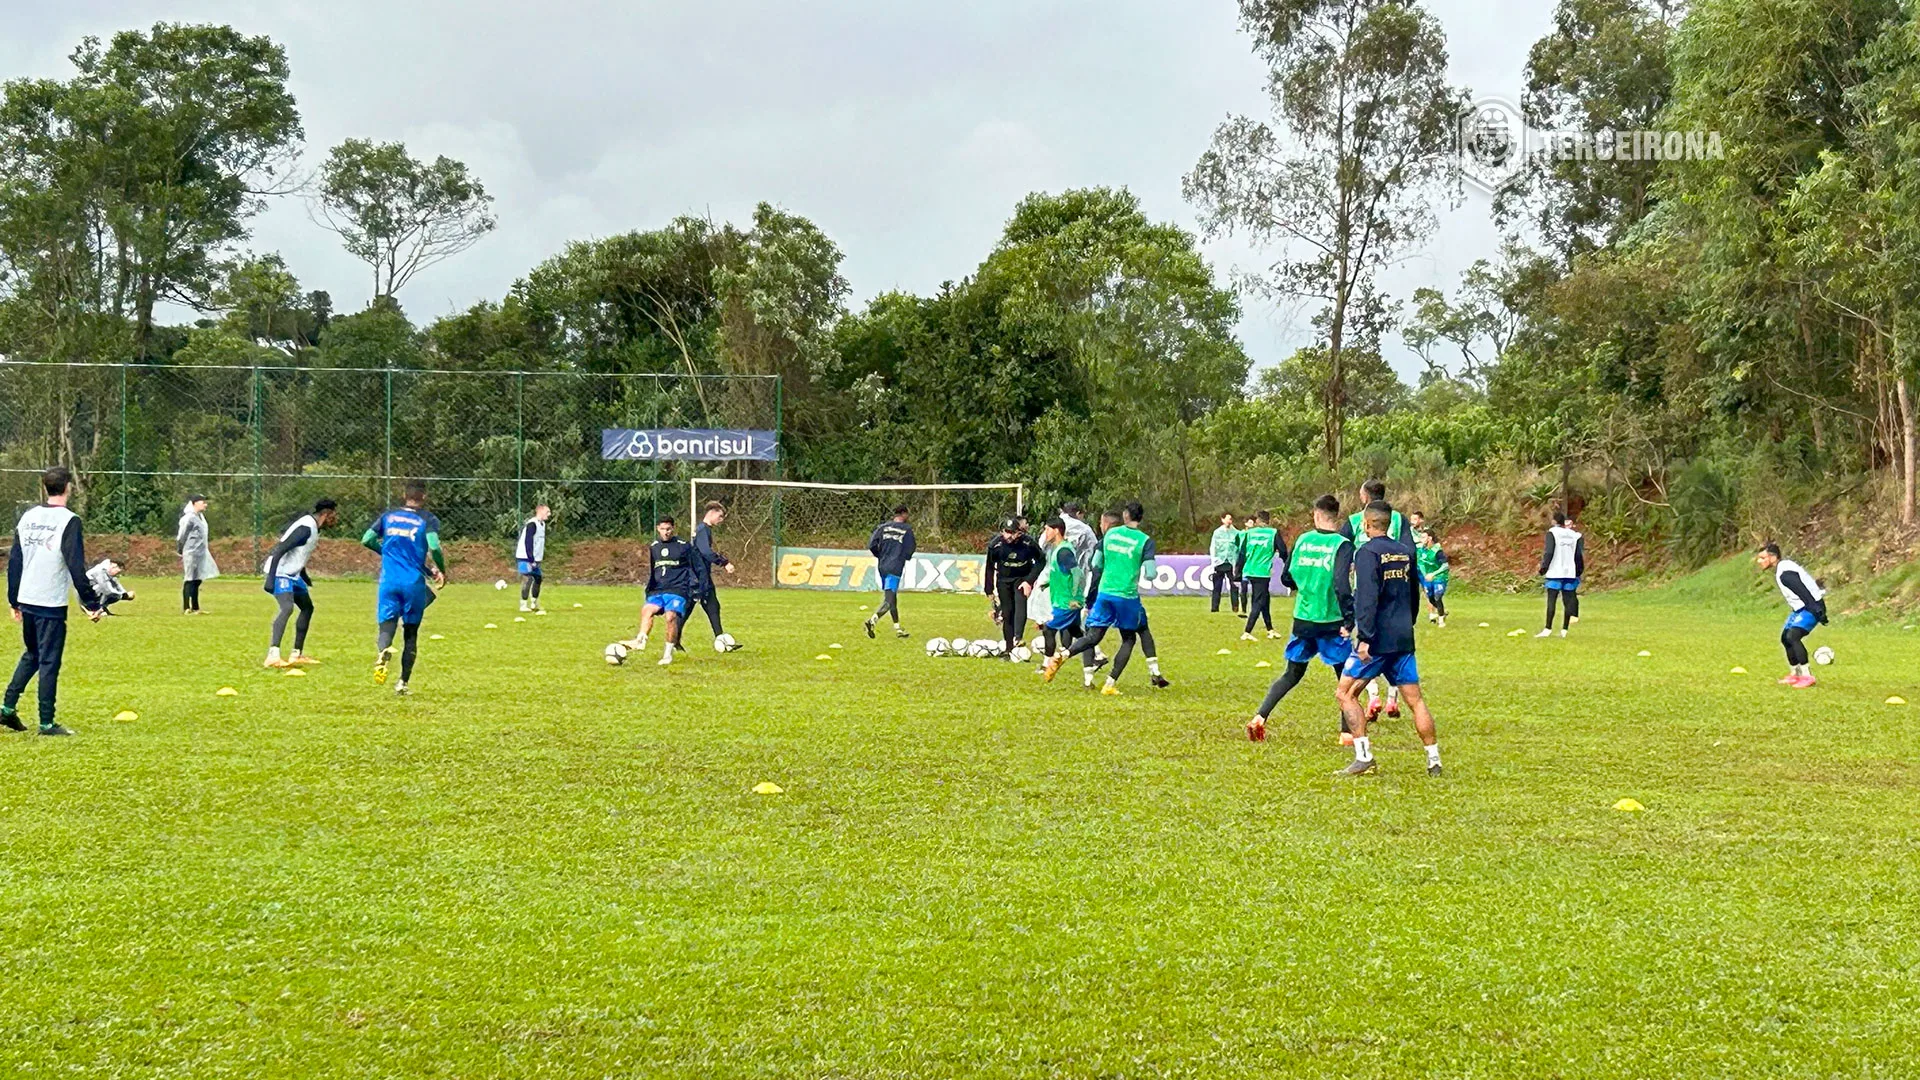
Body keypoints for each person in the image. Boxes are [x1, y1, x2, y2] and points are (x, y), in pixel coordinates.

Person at [1335, 501, 1442, 777]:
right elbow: (1414, 591)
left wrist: (1365, 638)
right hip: (1403, 635)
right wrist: (1410, 622)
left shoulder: (1367, 552)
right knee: (1415, 700)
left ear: (1367, 524)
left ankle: (1364, 757)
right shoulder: (1406, 551)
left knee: (1345, 693)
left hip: (1377, 641)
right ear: (1390, 524)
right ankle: (1434, 761)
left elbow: (1367, 598)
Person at [4, 466, 104, 736]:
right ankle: (47, 723)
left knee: (32, 655)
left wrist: (14, 599)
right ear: (68, 488)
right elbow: (75, 564)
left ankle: (6, 709)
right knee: (48, 661)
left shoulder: (28, 517)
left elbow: (15, 561)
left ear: (45, 487)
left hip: (27, 597)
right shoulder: (69, 520)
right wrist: (92, 603)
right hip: (49, 602)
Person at [1247, 495, 1355, 742]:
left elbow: (1286, 578)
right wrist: (1349, 619)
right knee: (1345, 679)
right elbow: (1341, 583)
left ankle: (1260, 717)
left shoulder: (1303, 540)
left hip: (1303, 618)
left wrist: (1306, 584)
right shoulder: (1343, 544)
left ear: (1316, 514)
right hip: (1331, 620)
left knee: (1292, 673)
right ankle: (1346, 734)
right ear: (1335, 516)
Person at [1043, 502, 1169, 693]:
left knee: (1093, 636)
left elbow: (1096, 564)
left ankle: (1064, 654)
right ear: (1140, 518)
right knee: (1129, 639)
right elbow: (1151, 573)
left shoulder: (1110, 534)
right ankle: (1110, 684)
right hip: (1126, 596)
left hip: (1105, 593)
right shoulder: (1145, 540)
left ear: (1125, 515)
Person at [1339, 480, 1414, 719]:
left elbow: (1342, 551)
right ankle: (1392, 700)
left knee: (1367, 646)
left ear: (1364, 497)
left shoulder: (1354, 521)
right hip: (1398, 586)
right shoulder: (1399, 518)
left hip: (1367, 587)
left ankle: (1373, 698)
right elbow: (1411, 551)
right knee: (1395, 651)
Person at [363, 481, 446, 696]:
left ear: (404, 495)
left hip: (388, 581)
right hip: (412, 583)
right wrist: (441, 569)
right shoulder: (427, 519)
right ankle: (402, 683)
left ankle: (382, 652)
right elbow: (434, 545)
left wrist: (385, 551)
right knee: (410, 633)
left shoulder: (389, 516)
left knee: (386, 625)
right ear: (424, 497)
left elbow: (367, 539)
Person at [262, 498, 339, 669]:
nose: (336, 518)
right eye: (334, 514)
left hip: (293, 574)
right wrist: (271, 577)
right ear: (326, 514)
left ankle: (296, 654)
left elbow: (298, 553)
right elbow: (280, 549)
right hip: (280, 572)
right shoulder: (305, 528)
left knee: (307, 607)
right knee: (287, 608)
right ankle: (272, 656)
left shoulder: (313, 527)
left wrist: (303, 575)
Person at [628, 515, 699, 667]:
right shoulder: (654, 547)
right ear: (657, 529)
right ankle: (640, 641)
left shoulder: (683, 546)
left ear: (673, 528)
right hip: (659, 589)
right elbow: (654, 569)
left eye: (668, 529)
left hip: (678, 589)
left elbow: (695, 566)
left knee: (670, 617)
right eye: (662, 529)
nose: (665, 532)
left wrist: (696, 586)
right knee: (647, 610)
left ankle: (667, 655)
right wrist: (650, 588)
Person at [1756, 543, 1826, 688]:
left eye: (1763, 558)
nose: (1759, 561)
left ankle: (1807, 676)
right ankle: (1796, 674)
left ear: (1773, 557)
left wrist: (1817, 611)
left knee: (1793, 636)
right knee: (1785, 638)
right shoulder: (1782, 568)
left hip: (1811, 606)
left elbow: (1803, 591)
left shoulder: (1785, 573)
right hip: (1802, 608)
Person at [682, 500, 737, 649]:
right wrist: (724, 562)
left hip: (701, 575)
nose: (721, 521)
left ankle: (721, 638)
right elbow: (706, 552)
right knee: (688, 608)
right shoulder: (703, 530)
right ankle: (674, 640)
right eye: (719, 517)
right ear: (711, 513)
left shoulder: (703, 530)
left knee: (712, 606)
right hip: (698, 577)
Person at [984, 517, 1043, 655]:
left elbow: (1041, 560)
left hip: (1022, 579)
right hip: (1003, 580)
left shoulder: (1028, 543)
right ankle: (1009, 647)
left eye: (1012, 532)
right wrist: (989, 589)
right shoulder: (995, 545)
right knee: (1007, 612)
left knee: (1020, 604)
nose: (1009, 536)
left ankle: (1018, 637)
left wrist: (1029, 580)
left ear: (1019, 533)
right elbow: (989, 567)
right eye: (1006, 532)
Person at [1036, 517, 1087, 662]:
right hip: (1062, 599)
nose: (1045, 533)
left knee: (1048, 629)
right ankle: (1097, 655)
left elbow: (1077, 574)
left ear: (1056, 530)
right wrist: (1050, 583)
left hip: (1067, 602)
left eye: (1047, 529)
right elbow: (1063, 574)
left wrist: (1074, 597)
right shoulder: (1057, 549)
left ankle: (1048, 664)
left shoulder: (1064, 551)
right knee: (1075, 631)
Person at [864, 505, 915, 639]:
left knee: (892, 597)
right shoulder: (907, 529)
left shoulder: (883, 527)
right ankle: (872, 620)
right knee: (889, 599)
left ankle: (898, 628)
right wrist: (903, 557)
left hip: (883, 566)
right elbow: (910, 549)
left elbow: (872, 545)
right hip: (895, 566)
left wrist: (880, 555)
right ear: (904, 514)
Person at [1537, 509, 1585, 638]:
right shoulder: (1574, 535)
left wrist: (1543, 568)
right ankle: (1564, 630)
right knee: (1568, 600)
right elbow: (1578, 554)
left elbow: (1549, 552)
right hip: (1570, 572)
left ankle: (1548, 629)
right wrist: (1579, 570)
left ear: (1554, 521)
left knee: (1551, 600)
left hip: (1555, 571)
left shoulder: (1552, 533)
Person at [1236, 510, 1283, 641]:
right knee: (1258, 601)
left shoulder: (1249, 533)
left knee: (1264, 599)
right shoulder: (1273, 533)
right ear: (1268, 520)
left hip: (1249, 570)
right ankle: (1247, 631)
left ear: (1257, 520)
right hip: (1262, 572)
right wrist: (1287, 566)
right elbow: (1283, 551)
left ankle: (1270, 630)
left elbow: (1241, 553)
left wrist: (1238, 573)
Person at [176, 494, 218, 614]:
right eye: (202, 502)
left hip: (201, 552)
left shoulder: (200, 517)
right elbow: (181, 536)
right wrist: (180, 549)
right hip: (191, 551)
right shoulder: (188, 518)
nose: (205, 504)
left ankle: (195, 607)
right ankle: (186, 607)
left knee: (197, 579)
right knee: (189, 578)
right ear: (194, 503)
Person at [516, 504, 551, 614]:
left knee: (538, 578)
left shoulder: (542, 524)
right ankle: (523, 604)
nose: (549, 514)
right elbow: (528, 543)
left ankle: (534, 603)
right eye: (547, 512)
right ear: (540, 512)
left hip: (535, 558)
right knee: (528, 578)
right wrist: (531, 559)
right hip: (525, 557)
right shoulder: (532, 524)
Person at [1415, 527, 1450, 628]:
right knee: (1430, 597)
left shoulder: (1437, 551)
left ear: (1429, 538)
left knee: (1437, 596)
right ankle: (1442, 612)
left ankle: (1441, 620)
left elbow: (1445, 566)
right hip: (1428, 577)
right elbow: (1421, 563)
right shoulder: (1421, 550)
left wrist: (1433, 574)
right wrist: (1425, 574)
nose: (1421, 539)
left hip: (1439, 576)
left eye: (1423, 537)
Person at [1209, 512, 1241, 614]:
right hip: (1220, 561)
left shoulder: (1236, 533)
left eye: (1230, 519)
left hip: (1232, 562)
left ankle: (1235, 607)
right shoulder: (1217, 532)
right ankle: (1215, 608)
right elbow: (1213, 547)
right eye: (1227, 519)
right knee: (1217, 586)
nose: (1229, 521)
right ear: (1222, 520)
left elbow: (1238, 548)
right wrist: (1214, 561)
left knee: (1234, 585)